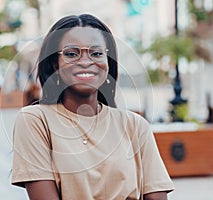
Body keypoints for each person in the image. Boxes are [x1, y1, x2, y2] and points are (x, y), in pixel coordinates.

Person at [11, 14, 174, 200]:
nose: (85, 62)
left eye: (96, 53)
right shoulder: (36, 121)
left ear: (107, 62)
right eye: (71, 53)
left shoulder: (135, 126)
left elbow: (156, 196)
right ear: (55, 63)